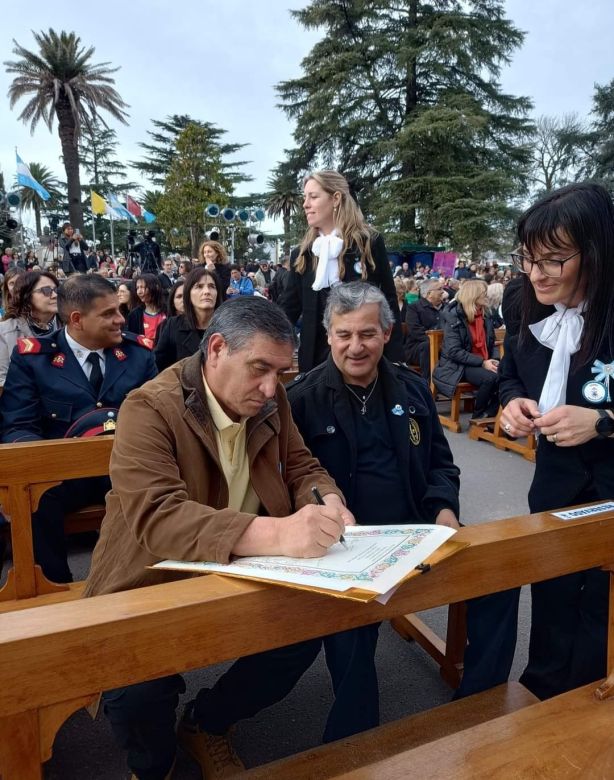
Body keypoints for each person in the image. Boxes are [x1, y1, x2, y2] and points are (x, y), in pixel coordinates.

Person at [83, 296, 350, 780]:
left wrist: (325, 500)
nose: (271, 388)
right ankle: (156, 766)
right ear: (217, 348)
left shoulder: (271, 399)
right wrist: (279, 532)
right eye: (260, 369)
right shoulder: (148, 408)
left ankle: (207, 722)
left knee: (306, 629)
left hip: (247, 565)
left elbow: (301, 466)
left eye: (281, 374)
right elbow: (160, 518)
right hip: (152, 577)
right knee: (134, 691)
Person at [457, 182, 614, 703]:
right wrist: (512, 401)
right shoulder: (526, 299)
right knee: (551, 586)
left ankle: (592, 704)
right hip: (554, 479)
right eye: (527, 259)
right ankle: (545, 694)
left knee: (602, 606)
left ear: (594, 251)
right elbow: (513, 373)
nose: (536, 273)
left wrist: (603, 421)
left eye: (553, 259)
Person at [0, 274, 157, 583]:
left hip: (124, 467)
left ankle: (138, 586)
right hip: (61, 475)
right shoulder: (34, 358)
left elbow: (158, 417)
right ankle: (54, 591)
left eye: (119, 310)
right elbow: (18, 426)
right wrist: (57, 461)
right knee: (35, 496)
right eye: (108, 313)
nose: (120, 320)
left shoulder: (139, 354)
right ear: (76, 319)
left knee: (159, 487)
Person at [279, 169, 402, 372]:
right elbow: (288, 308)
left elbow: (388, 301)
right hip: (315, 362)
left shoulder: (368, 243)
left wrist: (396, 359)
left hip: (362, 356)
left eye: (313, 196)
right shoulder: (302, 254)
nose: (305, 204)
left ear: (336, 198)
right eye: (305, 198)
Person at [432, 279, 500, 419]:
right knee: (491, 378)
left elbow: (492, 343)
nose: (487, 296)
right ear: (473, 296)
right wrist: (482, 362)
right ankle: (479, 417)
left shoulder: (485, 315)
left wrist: (495, 360)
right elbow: (454, 352)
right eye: (484, 294)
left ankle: (491, 414)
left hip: (481, 361)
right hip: (457, 365)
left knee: (508, 375)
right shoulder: (454, 317)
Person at [154, 267, 223, 372]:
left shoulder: (228, 327)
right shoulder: (173, 325)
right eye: (199, 287)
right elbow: (158, 365)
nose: (207, 291)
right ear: (188, 294)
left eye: (212, 286)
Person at [0, 270, 60, 387]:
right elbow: (2, 380)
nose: (54, 295)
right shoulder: (5, 331)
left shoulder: (69, 326)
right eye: (46, 290)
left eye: (56, 290)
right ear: (26, 296)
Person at [404, 279, 445, 377]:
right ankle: (427, 385)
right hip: (416, 348)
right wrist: (437, 342)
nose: (443, 291)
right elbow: (415, 330)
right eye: (439, 289)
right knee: (428, 346)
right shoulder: (414, 307)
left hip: (443, 345)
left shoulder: (446, 308)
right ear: (429, 293)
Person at [127, 273, 167, 342]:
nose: (139, 292)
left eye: (142, 287)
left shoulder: (168, 311)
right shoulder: (134, 315)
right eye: (137, 288)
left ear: (156, 287)